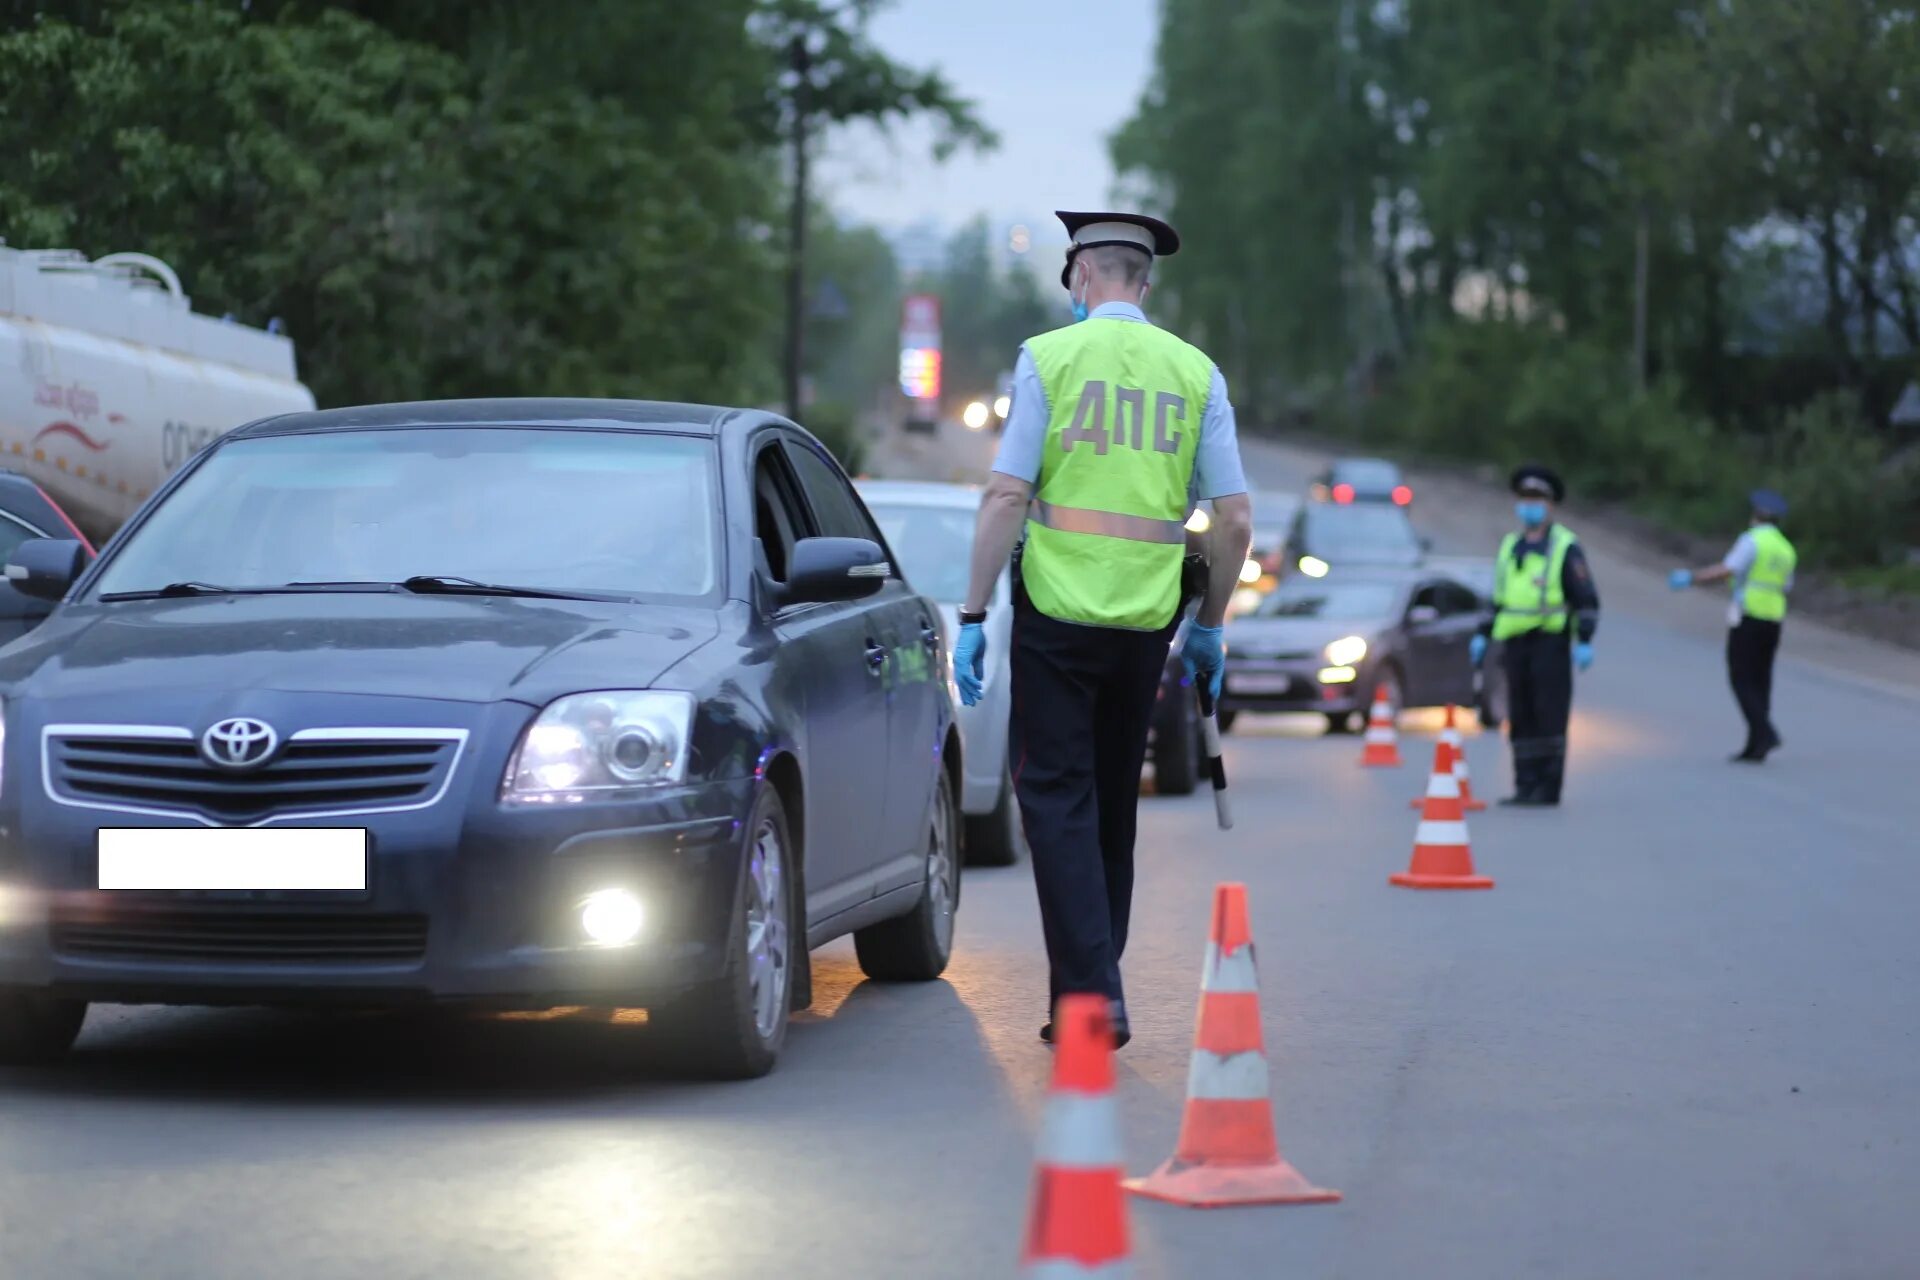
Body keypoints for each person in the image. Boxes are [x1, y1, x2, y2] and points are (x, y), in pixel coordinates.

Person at [952, 209, 1253, 1048]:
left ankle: (1092, 999)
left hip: (1056, 613)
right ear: (1145, 281)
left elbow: (1008, 495)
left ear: (1080, 275)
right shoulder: (1196, 373)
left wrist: (973, 616)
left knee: (1054, 800)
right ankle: (1086, 991)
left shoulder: (1049, 357)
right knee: (1111, 804)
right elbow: (1233, 518)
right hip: (1147, 623)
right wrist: (1210, 627)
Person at [1469, 464, 1600, 808]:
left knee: (1549, 715)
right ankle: (1524, 784)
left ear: (1551, 505)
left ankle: (1548, 786)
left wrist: (1584, 639)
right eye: (1525, 498)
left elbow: (1585, 597)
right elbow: (1496, 596)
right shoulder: (1510, 546)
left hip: (1549, 643)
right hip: (1515, 643)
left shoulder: (1565, 547)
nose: (1530, 506)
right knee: (1521, 714)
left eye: (1537, 499)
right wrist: (1483, 635)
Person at [1667, 489, 1796, 762]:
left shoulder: (1751, 541)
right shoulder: (1786, 548)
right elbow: (1786, 585)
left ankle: (1765, 732)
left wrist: (1692, 578)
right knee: (1761, 680)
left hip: (1748, 614)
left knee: (1740, 677)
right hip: (1773, 617)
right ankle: (1756, 744)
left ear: (1757, 515)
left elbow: (1729, 569)